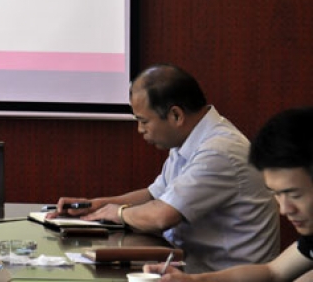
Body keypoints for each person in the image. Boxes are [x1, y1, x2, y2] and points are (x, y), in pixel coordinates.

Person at [53, 64, 279, 273]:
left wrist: (118, 213)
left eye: (144, 121)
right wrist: (97, 206)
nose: (140, 130)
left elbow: (162, 216)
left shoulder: (219, 151)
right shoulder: (190, 139)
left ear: (176, 115)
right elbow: (154, 195)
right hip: (189, 269)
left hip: (222, 275)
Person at [146, 106, 313, 281]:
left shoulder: (221, 149)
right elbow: (273, 272)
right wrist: (192, 280)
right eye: (276, 194)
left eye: (294, 195)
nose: (284, 209)